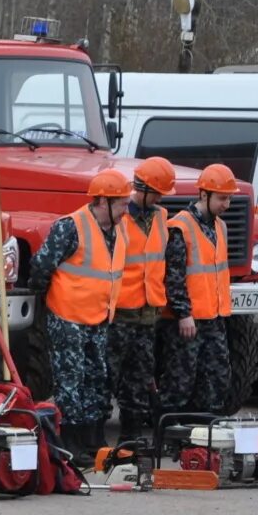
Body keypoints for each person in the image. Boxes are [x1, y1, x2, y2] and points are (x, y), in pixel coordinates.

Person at [25, 168, 130, 457]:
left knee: (97, 378)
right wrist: (47, 302)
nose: (126, 208)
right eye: (122, 202)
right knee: (71, 379)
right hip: (68, 317)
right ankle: (70, 443)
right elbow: (41, 267)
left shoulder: (119, 230)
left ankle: (93, 440)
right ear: (103, 201)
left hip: (98, 317)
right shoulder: (70, 227)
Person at [106, 157, 184, 443]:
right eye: (159, 192)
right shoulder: (119, 218)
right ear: (144, 188)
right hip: (120, 313)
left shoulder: (161, 217)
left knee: (139, 379)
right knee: (108, 376)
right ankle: (95, 439)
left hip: (148, 313)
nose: (162, 198)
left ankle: (132, 436)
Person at [159, 163, 238, 415]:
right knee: (179, 381)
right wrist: (183, 314)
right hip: (189, 321)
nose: (227, 204)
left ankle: (203, 435)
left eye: (229, 198)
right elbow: (174, 277)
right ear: (204, 194)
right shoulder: (180, 227)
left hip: (214, 318)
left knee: (216, 379)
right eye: (222, 198)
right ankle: (170, 433)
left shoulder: (220, 226)